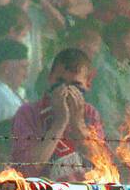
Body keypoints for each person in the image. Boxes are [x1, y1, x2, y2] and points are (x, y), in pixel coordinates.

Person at [9, 47, 99, 178]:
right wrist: (60, 122)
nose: (66, 90)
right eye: (60, 82)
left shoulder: (90, 114)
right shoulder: (28, 113)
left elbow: (102, 163)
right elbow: (26, 169)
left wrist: (78, 124)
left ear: (87, 84)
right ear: (50, 78)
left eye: (75, 84)